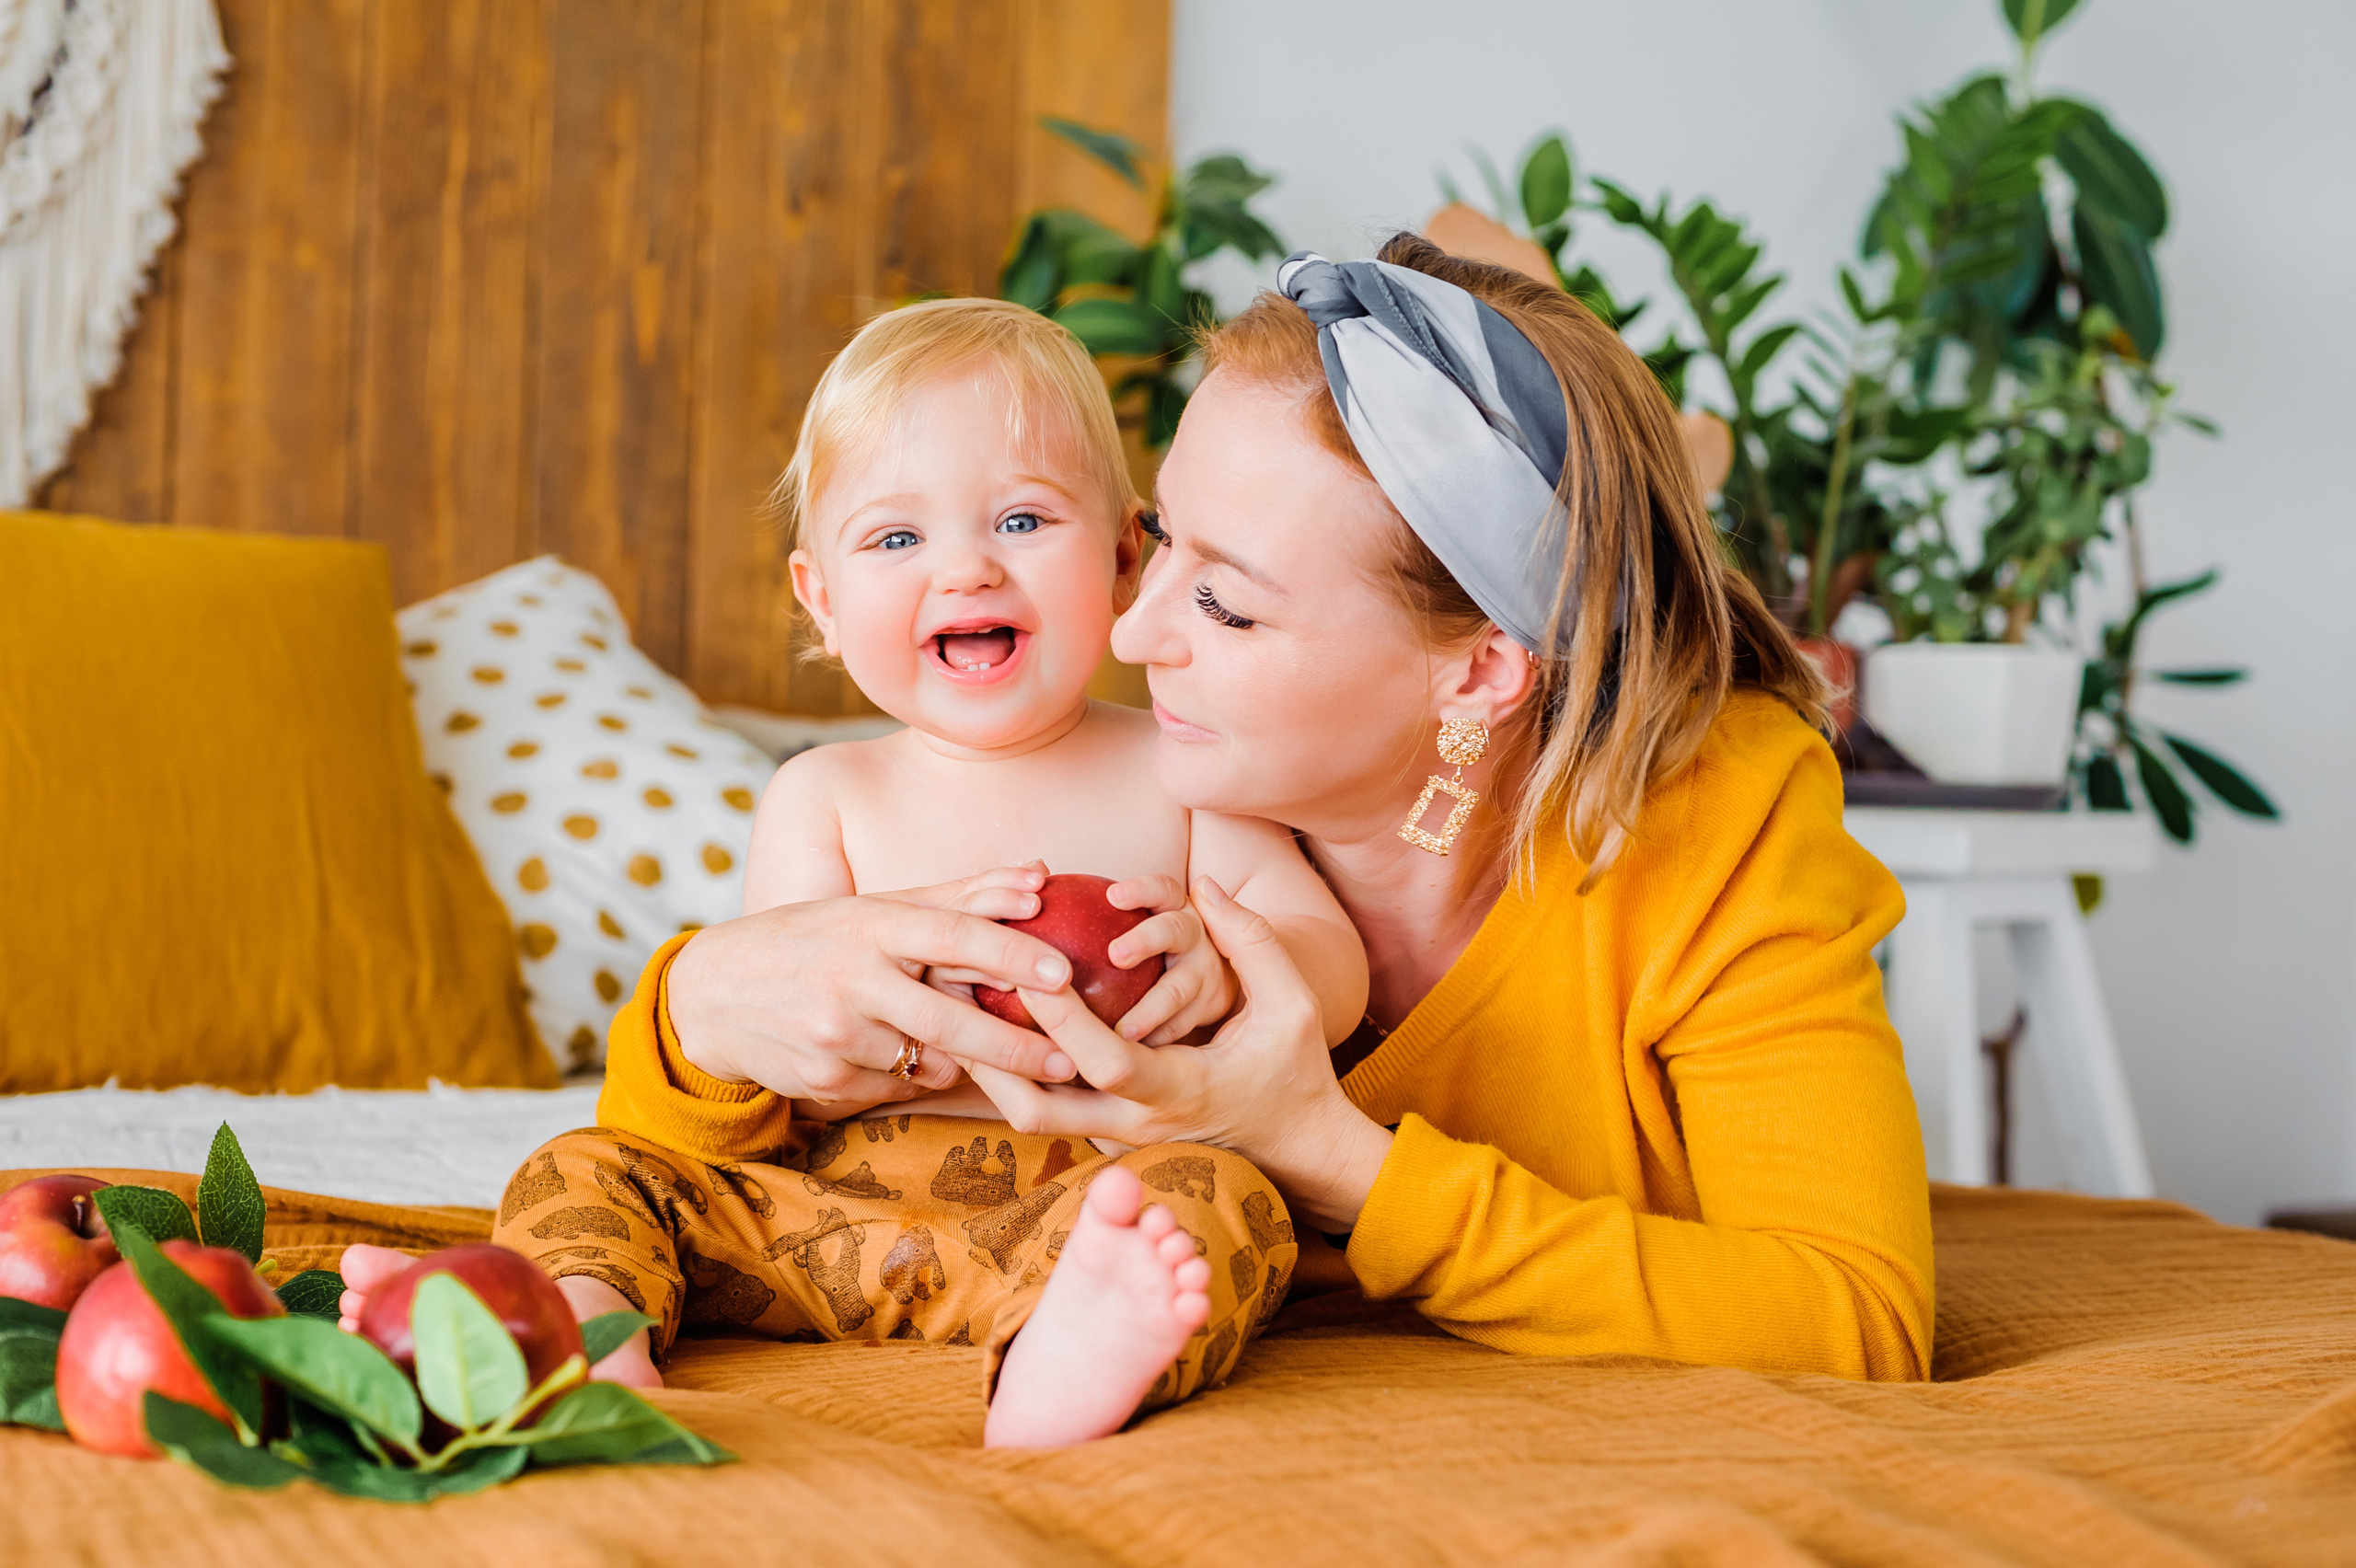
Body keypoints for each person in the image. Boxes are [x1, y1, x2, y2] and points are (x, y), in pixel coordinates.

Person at [558, 233, 1936, 1395]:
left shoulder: (1718, 833)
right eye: (1162, 547)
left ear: (1476, 672)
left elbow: (1856, 1318)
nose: (1137, 629)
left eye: (1225, 600)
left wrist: (1322, 1153)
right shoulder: (874, 795)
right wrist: (705, 1012)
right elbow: (687, 1172)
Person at [341, 298, 1366, 1449]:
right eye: (894, 540)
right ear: (820, 599)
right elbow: (784, 1067)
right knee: (587, 1167)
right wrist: (884, 1036)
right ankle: (585, 1342)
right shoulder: (825, 795)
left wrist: (1228, 976)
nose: (967, 569)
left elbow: (1327, 962)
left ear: (1127, 557)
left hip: (1076, 1198)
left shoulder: (1181, 774)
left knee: (1220, 1208)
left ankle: (1067, 1356)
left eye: (1023, 520)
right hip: (815, 1216)